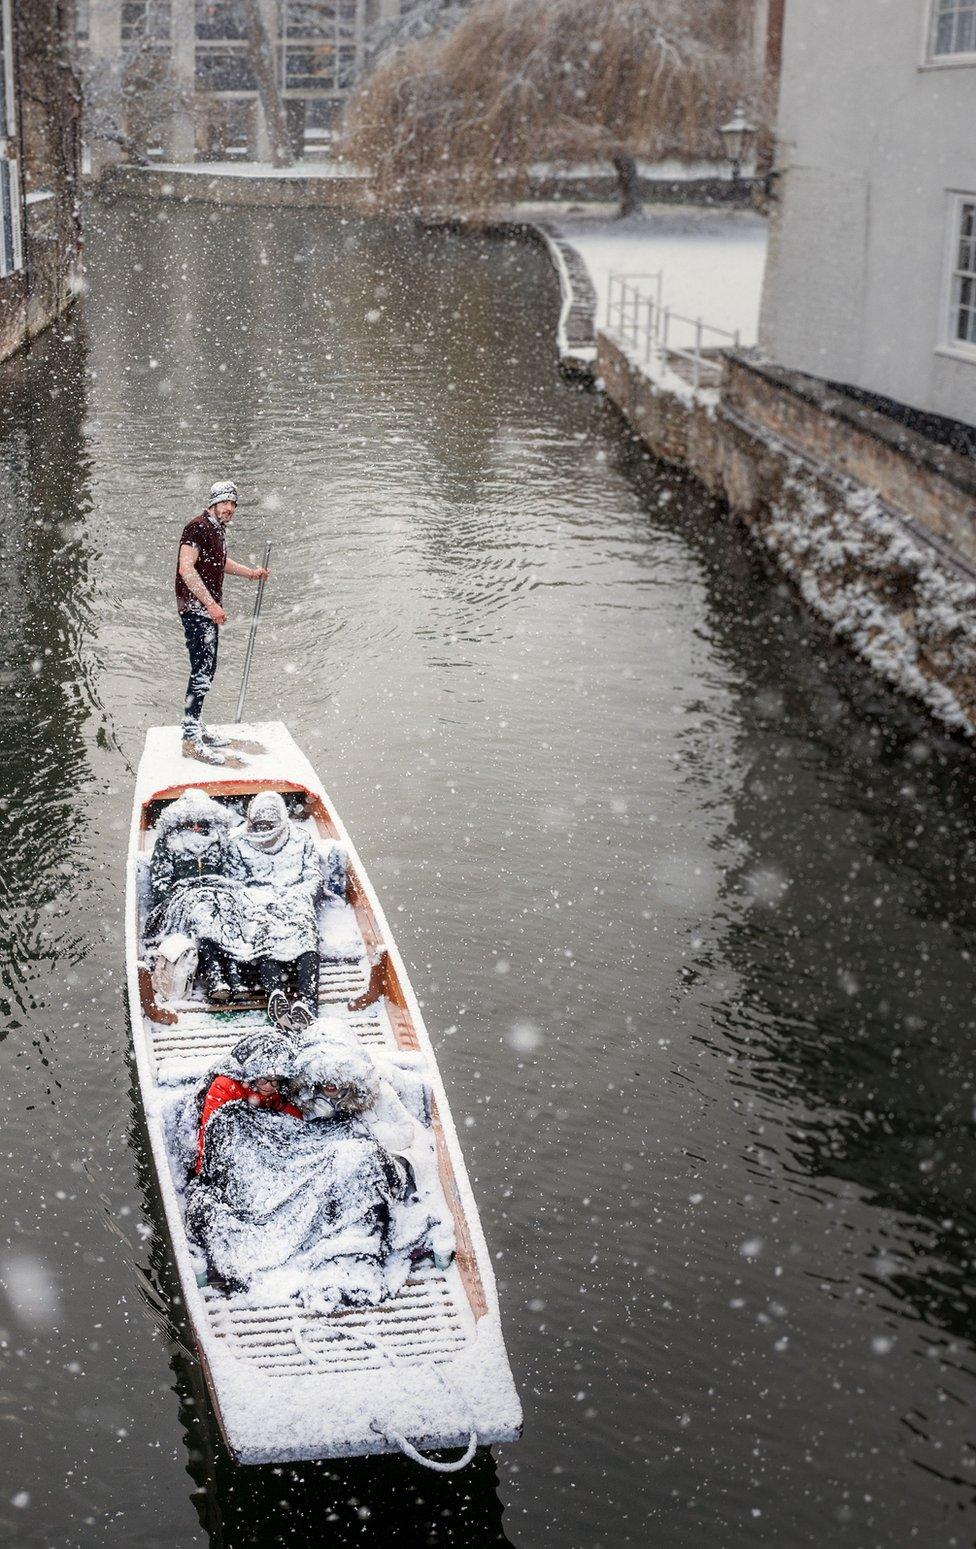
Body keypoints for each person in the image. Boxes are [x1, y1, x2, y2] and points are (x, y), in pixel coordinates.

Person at [176, 479, 269, 766]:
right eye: (224, 502)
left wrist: (250, 573)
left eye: (233, 504)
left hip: (205, 609)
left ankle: (196, 725)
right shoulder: (197, 527)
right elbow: (186, 568)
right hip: (194, 608)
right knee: (202, 670)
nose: (229, 508)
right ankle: (190, 740)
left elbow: (221, 562)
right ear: (213, 503)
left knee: (207, 668)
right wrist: (211, 604)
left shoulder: (218, 530)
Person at [230, 791, 322, 1023]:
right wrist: (260, 900)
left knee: (305, 931)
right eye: (259, 824)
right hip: (260, 901)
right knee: (264, 933)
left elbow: (313, 877)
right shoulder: (238, 843)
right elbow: (236, 884)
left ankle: (308, 1000)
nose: (264, 829)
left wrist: (299, 896)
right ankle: (275, 996)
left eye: (269, 824)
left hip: (295, 897)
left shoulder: (302, 839)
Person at [145, 788, 242, 1002]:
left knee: (220, 915)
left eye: (202, 823)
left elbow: (234, 876)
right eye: (191, 823)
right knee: (202, 915)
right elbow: (160, 883)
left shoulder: (221, 842)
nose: (196, 827)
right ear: (181, 823)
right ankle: (219, 975)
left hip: (218, 897)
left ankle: (230, 975)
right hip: (183, 901)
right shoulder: (168, 844)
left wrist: (223, 894)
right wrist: (178, 900)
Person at [193, 1031, 301, 1176]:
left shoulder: (279, 1088)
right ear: (251, 1074)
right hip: (232, 1146)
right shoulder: (225, 1086)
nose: (269, 1086)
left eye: (275, 1080)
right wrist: (204, 1172)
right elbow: (210, 1133)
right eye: (263, 1079)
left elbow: (296, 1122)